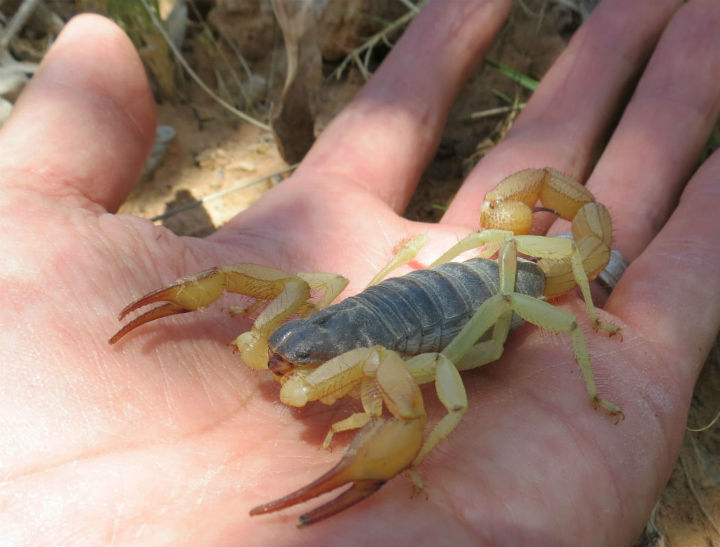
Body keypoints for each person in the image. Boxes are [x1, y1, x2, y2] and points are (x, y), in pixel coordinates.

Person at [1, 0, 718, 543]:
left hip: (478, 309)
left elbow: (425, 394)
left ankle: (589, 352)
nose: (280, 354)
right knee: (381, 332)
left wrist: (584, 314)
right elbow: (289, 297)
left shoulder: (376, 362)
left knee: (475, 347)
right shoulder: (307, 320)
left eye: (290, 350)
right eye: (288, 344)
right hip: (423, 284)